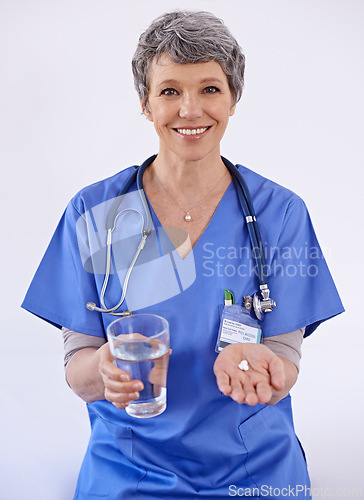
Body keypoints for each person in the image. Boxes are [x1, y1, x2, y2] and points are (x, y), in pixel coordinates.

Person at [22, 10, 344, 500]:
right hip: (130, 466)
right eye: (170, 91)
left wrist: (266, 371)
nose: (191, 109)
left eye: (210, 89)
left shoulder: (280, 215)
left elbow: (284, 359)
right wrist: (104, 369)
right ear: (146, 104)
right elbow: (78, 369)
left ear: (233, 99)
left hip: (252, 465)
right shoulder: (97, 214)